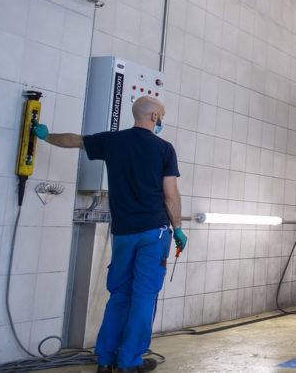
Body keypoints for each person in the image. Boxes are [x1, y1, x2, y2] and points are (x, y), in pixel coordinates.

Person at [34, 96, 186, 373]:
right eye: (161, 115)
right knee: (144, 295)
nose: (161, 120)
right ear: (154, 117)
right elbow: (171, 194)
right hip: (154, 232)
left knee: (119, 295)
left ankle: (105, 359)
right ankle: (130, 361)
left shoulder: (113, 141)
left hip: (123, 233)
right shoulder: (164, 149)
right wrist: (178, 229)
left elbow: (75, 140)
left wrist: (45, 137)